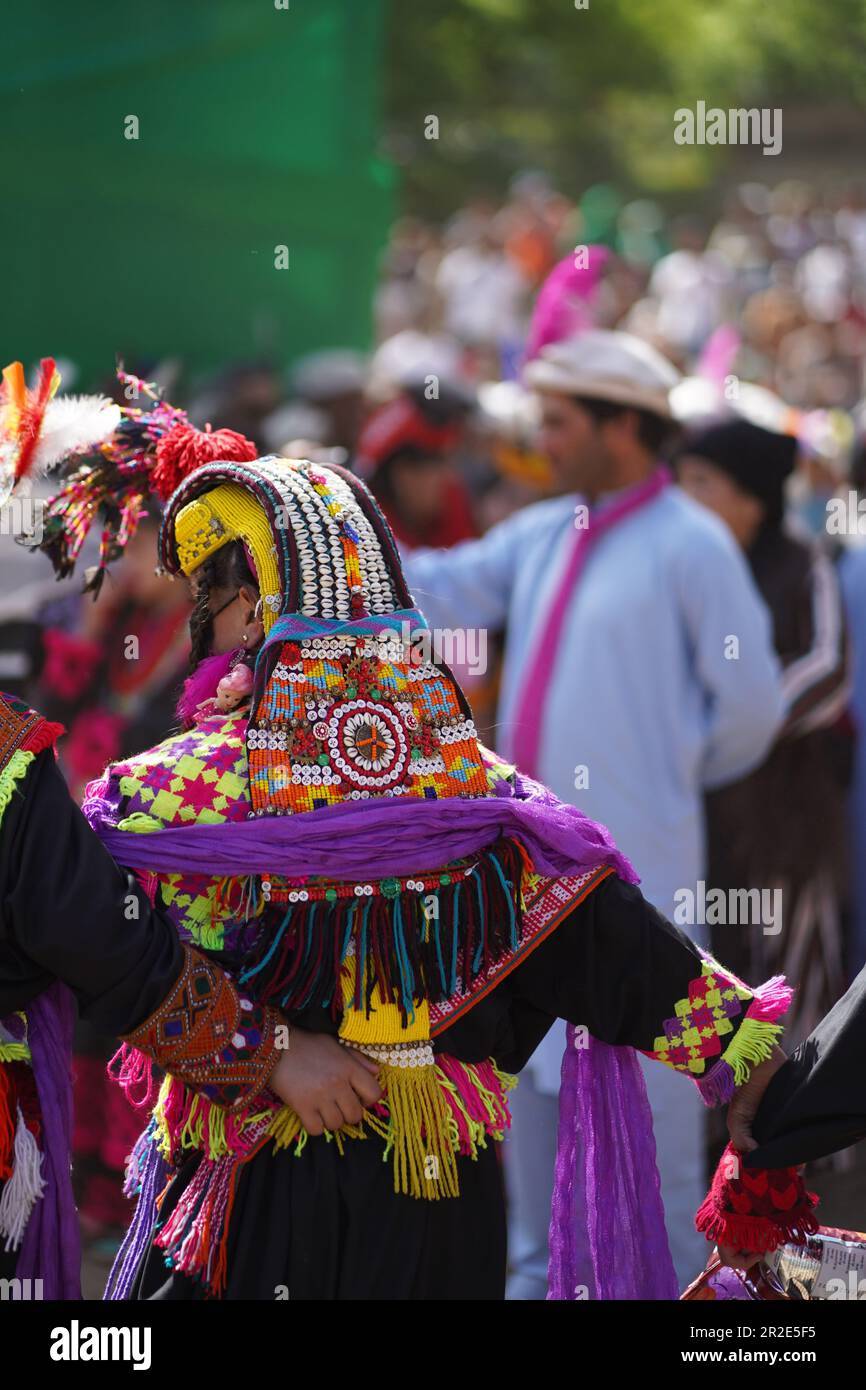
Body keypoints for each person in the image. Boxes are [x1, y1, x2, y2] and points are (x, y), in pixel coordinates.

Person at [58, 450, 790, 1301]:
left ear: (257, 605)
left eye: (209, 602)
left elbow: (88, 936)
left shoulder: (166, 794)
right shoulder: (479, 787)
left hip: (247, 1199)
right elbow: (608, 942)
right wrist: (745, 1056)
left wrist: (262, 1052)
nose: (205, 629)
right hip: (434, 1196)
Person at [403, 329, 786, 1290]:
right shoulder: (544, 531)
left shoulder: (693, 544)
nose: (542, 437)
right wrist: (329, 526)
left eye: (560, 421)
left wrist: (658, 776)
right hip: (520, 892)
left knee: (653, 1137)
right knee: (528, 1142)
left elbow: (753, 708)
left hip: (637, 884)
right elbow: (440, 586)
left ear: (623, 427)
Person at [676, 417, 851, 1049]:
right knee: (705, 987)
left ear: (753, 499)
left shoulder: (802, 565)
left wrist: (730, 730)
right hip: (699, 824)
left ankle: (800, 1144)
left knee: (792, 989)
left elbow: (826, 672)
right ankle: (712, 1137)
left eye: (703, 482)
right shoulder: (678, 567)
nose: (683, 495)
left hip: (788, 823)